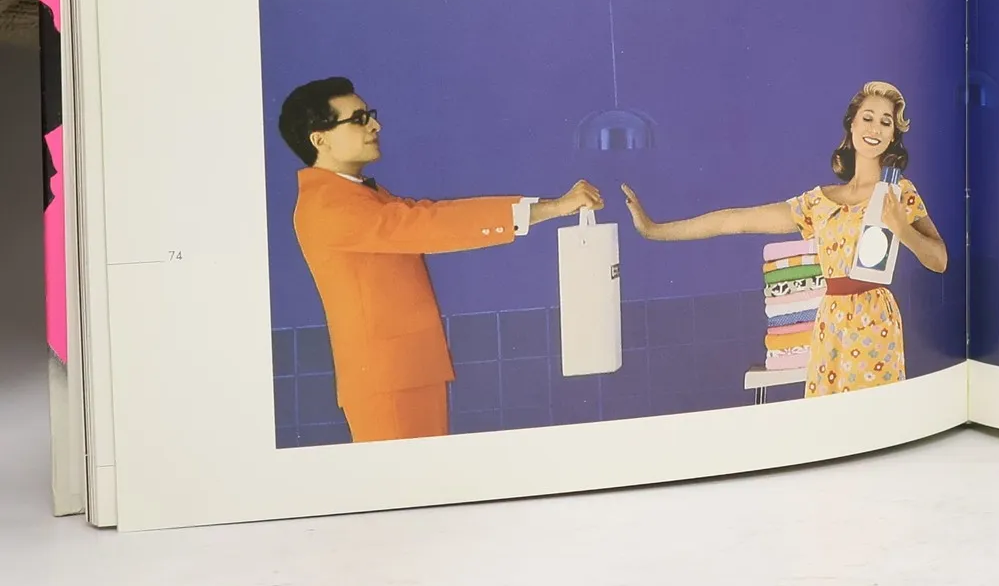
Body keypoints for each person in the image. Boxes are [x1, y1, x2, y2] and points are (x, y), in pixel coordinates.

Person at [277, 75, 601, 442]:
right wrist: (553, 208)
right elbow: (428, 224)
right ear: (319, 139)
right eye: (359, 119)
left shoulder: (358, 195)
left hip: (406, 370)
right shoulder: (328, 205)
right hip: (388, 378)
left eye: (370, 115)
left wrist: (548, 207)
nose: (375, 126)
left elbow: (428, 214)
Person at [621, 80, 948, 398]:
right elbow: (736, 221)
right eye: (868, 118)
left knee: (875, 422)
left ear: (893, 136)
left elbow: (939, 260)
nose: (875, 128)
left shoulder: (898, 192)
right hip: (830, 323)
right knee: (826, 425)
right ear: (852, 124)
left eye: (885, 122)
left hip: (876, 322)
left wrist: (902, 228)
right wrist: (653, 229)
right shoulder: (818, 202)